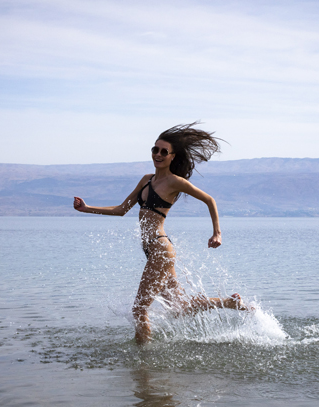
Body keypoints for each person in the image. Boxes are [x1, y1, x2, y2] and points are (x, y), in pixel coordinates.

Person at [73, 123, 247, 344]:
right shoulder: (146, 179)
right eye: (155, 149)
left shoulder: (175, 182)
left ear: (173, 156)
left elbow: (209, 200)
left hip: (160, 249)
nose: (158, 154)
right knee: (179, 307)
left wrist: (217, 234)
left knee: (139, 309)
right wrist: (87, 209)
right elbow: (121, 210)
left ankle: (142, 364)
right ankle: (229, 303)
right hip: (152, 250)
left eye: (164, 151)